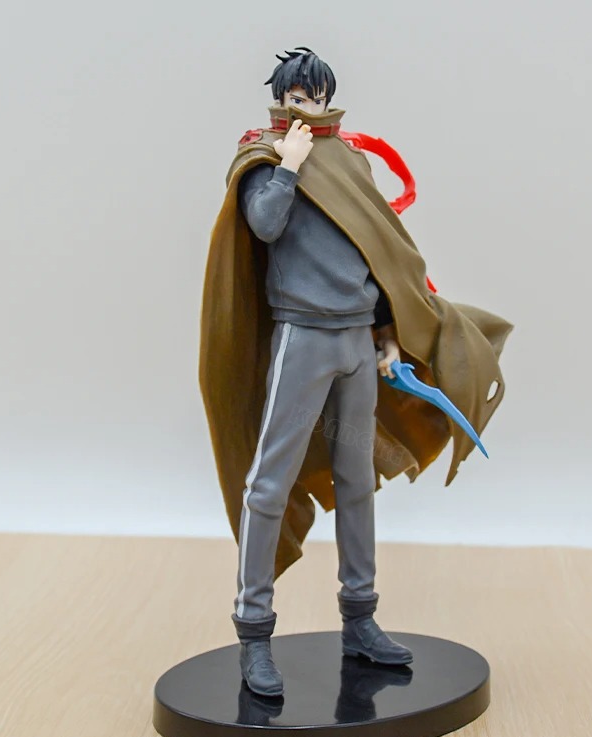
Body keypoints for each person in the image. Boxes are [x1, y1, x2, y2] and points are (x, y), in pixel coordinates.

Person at [198, 47, 513, 697]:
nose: (309, 107)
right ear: (282, 99)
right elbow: (264, 225)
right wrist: (288, 166)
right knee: (269, 484)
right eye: (298, 97)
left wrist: (388, 332)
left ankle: (360, 619)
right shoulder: (263, 157)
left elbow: (378, 250)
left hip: (357, 344)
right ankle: (254, 632)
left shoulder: (351, 159)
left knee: (356, 481)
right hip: (302, 339)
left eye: (316, 97)